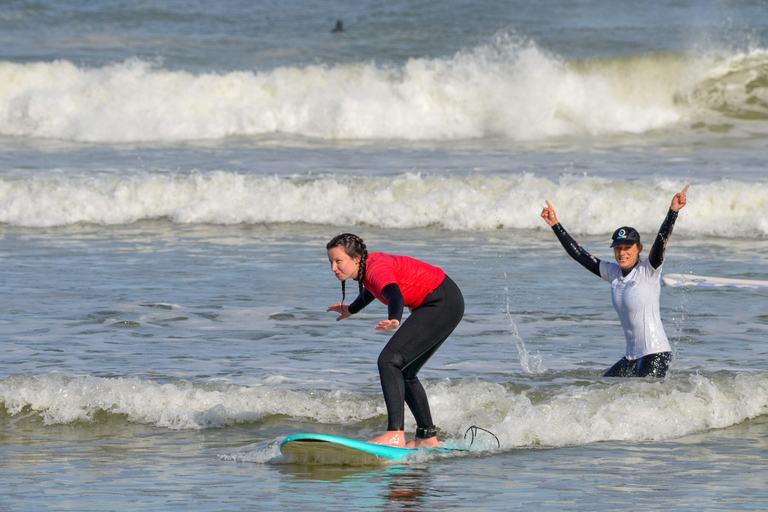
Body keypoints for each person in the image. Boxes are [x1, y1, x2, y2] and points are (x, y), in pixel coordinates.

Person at [326, 233, 464, 448]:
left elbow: (393, 293)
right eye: (331, 262)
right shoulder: (367, 269)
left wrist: (394, 319)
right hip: (445, 300)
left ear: (357, 259)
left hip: (441, 303)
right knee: (405, 372)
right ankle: (427, 437)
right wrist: (351, 309)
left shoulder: (376, 268)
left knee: (389, 361)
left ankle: (394, 434)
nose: (333, 268)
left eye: (338, 261)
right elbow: (374, 289)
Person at [540, 185, 689, 378]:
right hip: (632, 358)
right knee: (601, 388)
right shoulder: (614, 273)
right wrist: (555, 225)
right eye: (618, 248)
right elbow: (580, 255)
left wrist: (673, 212)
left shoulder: (648, 270)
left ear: (639, 248)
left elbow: (661, 240)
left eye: (627, 247)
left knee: (645, 400)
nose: (622, 252)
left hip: (655, 354)